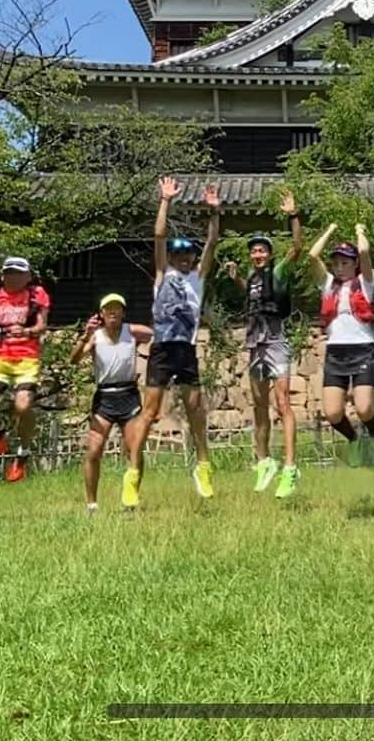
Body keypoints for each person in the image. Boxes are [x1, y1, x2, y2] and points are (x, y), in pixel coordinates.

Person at [130, 176, 221, 504]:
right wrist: (165, 201)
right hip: (161, 349)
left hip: (186, 349)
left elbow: (212, 243)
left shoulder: (197, 279)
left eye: (188, 256)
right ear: (170, 259)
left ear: (193, 261)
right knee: (150, 411)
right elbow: (158, 234)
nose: (183, 260)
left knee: (196, 407)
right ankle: (133, 474)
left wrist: (214, 212)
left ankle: (203, 465)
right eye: (177, 255)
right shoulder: (162, 275)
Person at [223, 189, 303, 499]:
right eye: (254, 251)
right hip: (254, 344)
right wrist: (235, 279)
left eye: (261, 250)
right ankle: (263, 461)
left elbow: (297, 248)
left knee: (282, 403)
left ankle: (290, 466)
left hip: (276, 342)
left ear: (268, 254)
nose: (257, 254)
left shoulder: (278, 272)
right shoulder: (252, 279)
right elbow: (250, 296)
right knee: (258, 405)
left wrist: (292, 215)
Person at [307, 222, 374, 466]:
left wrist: (360, 232)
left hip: (362, 350)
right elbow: (311, 256)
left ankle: (373, 435)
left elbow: (364, 252)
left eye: (345, 263)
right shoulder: (328, 285)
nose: (340, 268)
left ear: (355, 265)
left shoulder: (365, 283)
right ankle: (354, 440)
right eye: (336, 263)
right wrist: (329, 229)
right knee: (332, 413)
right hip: (336, 352)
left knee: (364, 408)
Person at [0, 256, 51, 483]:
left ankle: (23, 452)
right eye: (9, 273)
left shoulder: (37, 295)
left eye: (18, 273)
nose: (13, 277)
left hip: (27, 360)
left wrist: (28, 332)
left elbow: (42, 325)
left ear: (27, 276)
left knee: (23, 406)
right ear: (2, 275)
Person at [69, 293, 152, 513]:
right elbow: (74, 360)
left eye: (117, 309)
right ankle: (92, 504)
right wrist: (84, 337)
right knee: (94, 451)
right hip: (105, 398)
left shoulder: (131, 331)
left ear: (123, 313)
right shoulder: (95, 337)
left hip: (129, 395)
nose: (113, 312)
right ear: (102, 314)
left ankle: (131, 496)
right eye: (108, 309)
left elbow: (157, 335)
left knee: (133, 449)